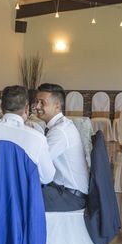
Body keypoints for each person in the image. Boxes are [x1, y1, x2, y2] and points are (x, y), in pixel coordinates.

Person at [34, 83, 90, 212]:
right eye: (37, 102)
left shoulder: (60, 131)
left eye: (42, 103)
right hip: (61, 189)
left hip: (71, 197)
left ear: (57, 106)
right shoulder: (59, 126)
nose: (37, 107)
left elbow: (38, 163)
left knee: (19, 196)